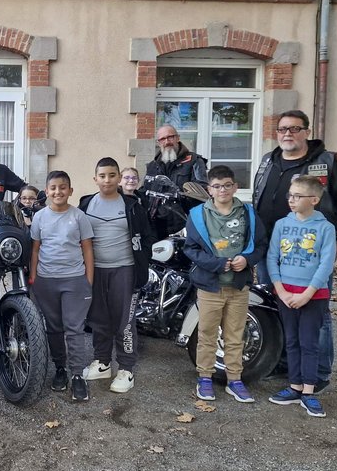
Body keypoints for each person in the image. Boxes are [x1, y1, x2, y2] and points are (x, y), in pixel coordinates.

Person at [253, 110, 337, 394]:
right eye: (282, 129)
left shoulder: (326, 163)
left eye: (294, 128)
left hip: (310, 257)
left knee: (315, 315)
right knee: (278, 308)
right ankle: (287, 366)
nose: (287, 134)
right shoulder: (268, 161)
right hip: (272, 253)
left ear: (307, 132)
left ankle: (317, 374)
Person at [183, 165, 267, 403]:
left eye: (227, 185)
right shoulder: (198, 214)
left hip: (238, 286)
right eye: (217, 186)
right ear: (209, 189)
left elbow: (261, 244)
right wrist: (217, 264)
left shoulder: (248, 213)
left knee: (235, 334)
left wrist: (247, 259)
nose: (223, 190)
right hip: (210, 286)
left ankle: (235, 379)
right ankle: (205, 377)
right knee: (207, 334)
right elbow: (191, 249)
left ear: (235, 187)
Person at [78, 158, 155, 394]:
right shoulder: (86, 204)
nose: (107, 180)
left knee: (124, 321)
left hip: (125, 269)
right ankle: (102, 362)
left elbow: (147, 238)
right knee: (98, 318)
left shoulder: (133, 206)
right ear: (95, 179)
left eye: (112, 175)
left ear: (119, 178)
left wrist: (141, 266)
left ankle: (126, 368)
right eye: (102, 176)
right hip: (95, 270)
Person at [265, 175, 336, 418]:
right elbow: (272, 257)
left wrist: (307, 294)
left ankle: (308, 391)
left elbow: (326, 264)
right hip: (285, 293)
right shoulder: (281, 225)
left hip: (313, 296)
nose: (291, 200)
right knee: (291, 341)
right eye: (290, 195)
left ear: (314, 199)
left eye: (297, 196)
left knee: (309, 343)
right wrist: (281, 290)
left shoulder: (325, 228)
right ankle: (295, 387)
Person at [29, 171, 95, 402]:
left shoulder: (79, 217)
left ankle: (77, 375)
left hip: (75, 280)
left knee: (74, 329)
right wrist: (34, 278)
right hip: (46, 280)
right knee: (54, 328)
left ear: (70, 190)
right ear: (47, 191)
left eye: (63, 187)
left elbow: (87, 248)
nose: (58, 191)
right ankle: (60, 369)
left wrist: (88, 280)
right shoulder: (39, 217)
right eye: (53, 188)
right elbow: (35, 249)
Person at [143, 125, 209, 238]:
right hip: (156, 225)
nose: (167, 142)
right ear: (159, 143)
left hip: (185, 222)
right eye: (162, 139)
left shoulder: (194, 161)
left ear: (178, 138)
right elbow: (145, 191)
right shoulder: (153, 165)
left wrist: (180, 194)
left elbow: (201, 191)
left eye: (170, 137)